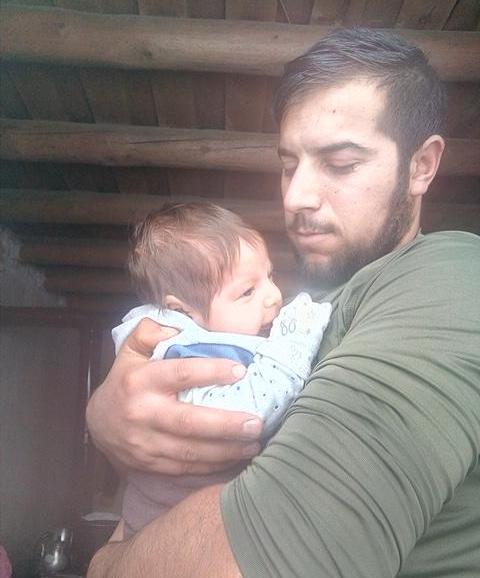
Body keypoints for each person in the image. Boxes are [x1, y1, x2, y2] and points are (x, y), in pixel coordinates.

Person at [86, 28, 480, 577]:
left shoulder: (453, 277)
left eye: (340, 163)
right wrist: (109, 418)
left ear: (422, 166)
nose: (296, 197)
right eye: (290, 164)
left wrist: (108, 563)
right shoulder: (291, 312)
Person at [111, 202, 331, 538]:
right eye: (247, 291)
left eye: (270, 276)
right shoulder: (182, 355)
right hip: (168, 536)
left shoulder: (213, 337)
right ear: (184, 312)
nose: (274, 296)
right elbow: (248, 415)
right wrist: (296, 340)